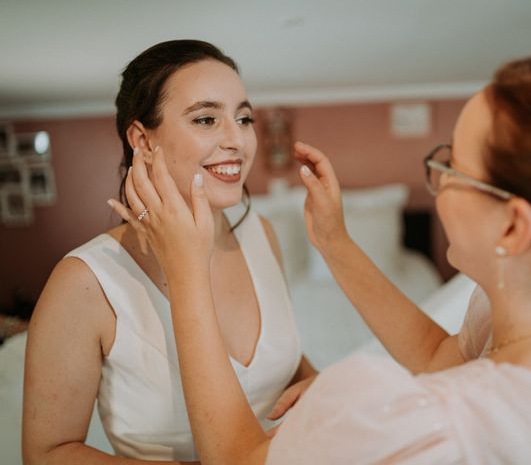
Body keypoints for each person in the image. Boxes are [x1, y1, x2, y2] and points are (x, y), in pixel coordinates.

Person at [116, 54, 531, 464]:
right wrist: (334, 242)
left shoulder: (434, 425)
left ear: (513, 226)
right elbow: (440, 355)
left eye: (452, 165)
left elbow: (237, 460)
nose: (436, 183)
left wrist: (187, 272)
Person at [22, 40, 317, 464]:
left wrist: (316, 381)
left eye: (244, 117)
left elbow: (277, 358)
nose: (237, 139)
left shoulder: (261, 234)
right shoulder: (85, 281)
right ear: (142, 140)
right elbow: (46, 453)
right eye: (206, 118)